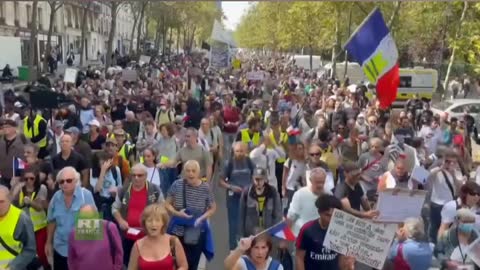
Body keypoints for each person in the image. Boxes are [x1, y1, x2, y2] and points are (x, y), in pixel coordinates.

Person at [165, 160, 217, 270]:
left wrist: (202, 218)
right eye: (188, 171)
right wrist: (177, 213)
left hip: (196, 232)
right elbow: (167, 204)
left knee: (192, 264)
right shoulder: (177, 184)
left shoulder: (205, 188)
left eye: (193, 171)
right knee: (177, 264)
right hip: (177, 232)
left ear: (199, 173)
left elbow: (213, 208)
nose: (190, 173)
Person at [111, 163, 164, 267]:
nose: (136, 178)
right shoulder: (123, 190)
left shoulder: (155, 190)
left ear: (145, 175)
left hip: (148, 236)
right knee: (128, 264)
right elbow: (114, 208)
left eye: (140, 175)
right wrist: (121, 221)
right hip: (127, 237)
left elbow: (162, 208)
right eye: (134, 175)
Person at [45, 166, 96, 270]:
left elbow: (94, 227)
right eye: (61, 181)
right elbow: (51, 221)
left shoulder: (86, 195)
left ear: (76, 181)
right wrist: (48, 242)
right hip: (60, 248)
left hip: (81, 251)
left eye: (68, 181)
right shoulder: (56, 197)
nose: (65, 184)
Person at [295, 194, 354, 270]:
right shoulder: (307, 229)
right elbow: (299, 257)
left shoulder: (341, 231)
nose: (331, 219)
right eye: (327, 215)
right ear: (319, 212)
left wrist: (348, 264)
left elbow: (342, 260)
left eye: (334, 215)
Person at [127, 204, 188, 270]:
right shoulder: (137, 245)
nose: (153, 224)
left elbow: (183, 266)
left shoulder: (173, 241)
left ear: (163, 223)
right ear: (144, 223)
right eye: (149, 220)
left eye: (157, 220)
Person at [11, 168, 49, 269]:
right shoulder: (21, 188)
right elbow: (10, 203)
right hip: (25, 227)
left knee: (41, 253)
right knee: (26, 253)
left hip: (39, 227)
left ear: (36, 178)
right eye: (26, 178)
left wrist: (30, 202)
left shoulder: (41, 188)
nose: (28, 181)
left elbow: (39, 207)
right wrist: (14, 188)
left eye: (31, 178)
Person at [220, 142, 255, 251]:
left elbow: (255, 176)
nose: (239, 153)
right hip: (233, 197)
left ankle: (247, 246)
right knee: (234, 222)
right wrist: (231, 187)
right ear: (233, 151)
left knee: (248, 221)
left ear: (245, 151)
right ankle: (233, 248)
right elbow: (220, 181)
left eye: (241, 151)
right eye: (237, 151)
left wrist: (253, 186)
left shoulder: (249, 162)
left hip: (248, 197)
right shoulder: (229, 163)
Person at [67, 204, 123, 270]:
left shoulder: (109, 227)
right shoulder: (73, 233)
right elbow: (71, 259)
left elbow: (119, 252)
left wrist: (116, 268)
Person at [238, 167, 282, 238]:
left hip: (268, 232)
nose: (258, 182)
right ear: (253, 178)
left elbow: (278, 215)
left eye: (261, 179)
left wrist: (277, 234)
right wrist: (241, 235)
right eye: (256, 179)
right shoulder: (247, 193)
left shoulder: (272, 192)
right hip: (251, 234)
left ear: (265, 179)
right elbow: (242, 215)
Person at [0, 185, 37, 270]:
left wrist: (13, 267)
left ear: (9, 200)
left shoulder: (21, 218)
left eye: (1, 202)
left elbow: (30, 250)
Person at [0, 119, 28, 188]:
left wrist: (18, 176)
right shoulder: (1, 141)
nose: (5, 129)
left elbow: (24, 159)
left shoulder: (22, 141)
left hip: (16, 177)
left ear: (14, 128)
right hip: (2, 176)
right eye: (3, 127)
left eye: (7, 127)